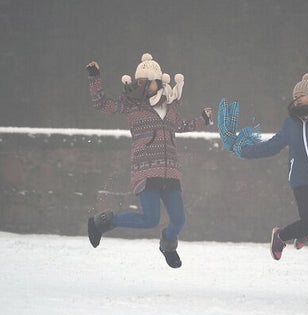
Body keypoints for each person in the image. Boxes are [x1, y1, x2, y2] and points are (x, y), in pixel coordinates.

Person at [85, 53, 213, 268]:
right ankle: (101, 222)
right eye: (143, 81)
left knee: (179, 220)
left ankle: (168, 245)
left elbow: (180, 126)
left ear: (159, 81)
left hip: (170, 171)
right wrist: (94, 77)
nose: (148, 85)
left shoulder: (169, 107)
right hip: (145, 170)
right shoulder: (132, 105)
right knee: (150, 219)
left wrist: (203, 119)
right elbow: (102, 104)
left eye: (151, 81)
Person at [218, 72, 308, 260]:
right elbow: (272, 146)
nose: (298, 100)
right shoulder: (291, 123)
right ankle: (281, 236)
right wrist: (244, 151)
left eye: (301, 96)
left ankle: (304, 233)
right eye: (295, 97)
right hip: (301, 180)